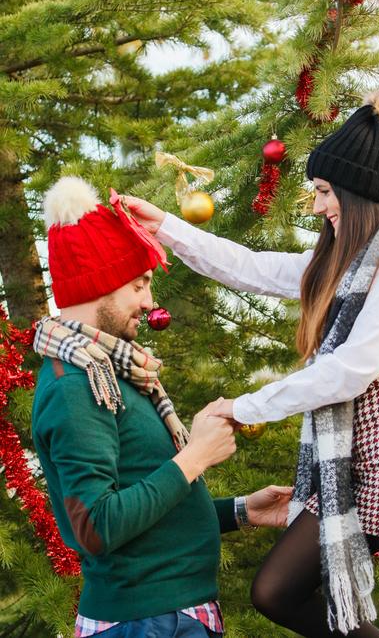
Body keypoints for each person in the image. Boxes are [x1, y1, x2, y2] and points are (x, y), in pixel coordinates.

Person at [122, 87, 379, 638]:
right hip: (349, 461)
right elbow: (251, 268)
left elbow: (351, 369)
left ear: (360, 191)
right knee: (276, 591)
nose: (320, 204)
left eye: (326, 192)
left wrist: (248, 404)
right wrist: (166, 227)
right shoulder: (342, 264)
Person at [31, 176, 293, 638]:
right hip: (145, 624)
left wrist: (242, 511)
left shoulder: (115, 372)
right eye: (140, 283)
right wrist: (194, 458)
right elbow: (96, 527)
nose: (149, 302)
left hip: (168, 619)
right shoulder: (75, 384)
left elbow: (146, 510)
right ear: (102, 283)